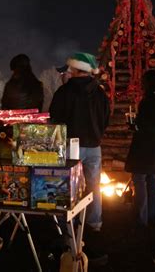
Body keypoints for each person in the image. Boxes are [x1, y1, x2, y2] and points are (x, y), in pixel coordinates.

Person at [50, 52, 110, 232]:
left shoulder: (64, 91)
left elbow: (55, 117)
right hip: (94, 145)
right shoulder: (100, 93)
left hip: (70, 145)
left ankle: (67, 222)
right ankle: (94, 222)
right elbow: (106, 118)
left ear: (75, 69)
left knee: (66, 185)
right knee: (94, 185)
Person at [125, 70, 155, 229]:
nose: (142, 84)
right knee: (151, 178)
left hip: (145, 142)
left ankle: (140, 220)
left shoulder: (150, 99)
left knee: (139, 178)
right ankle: (153, 217)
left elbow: (145, 123)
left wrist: (134, 125)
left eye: (143, 81)